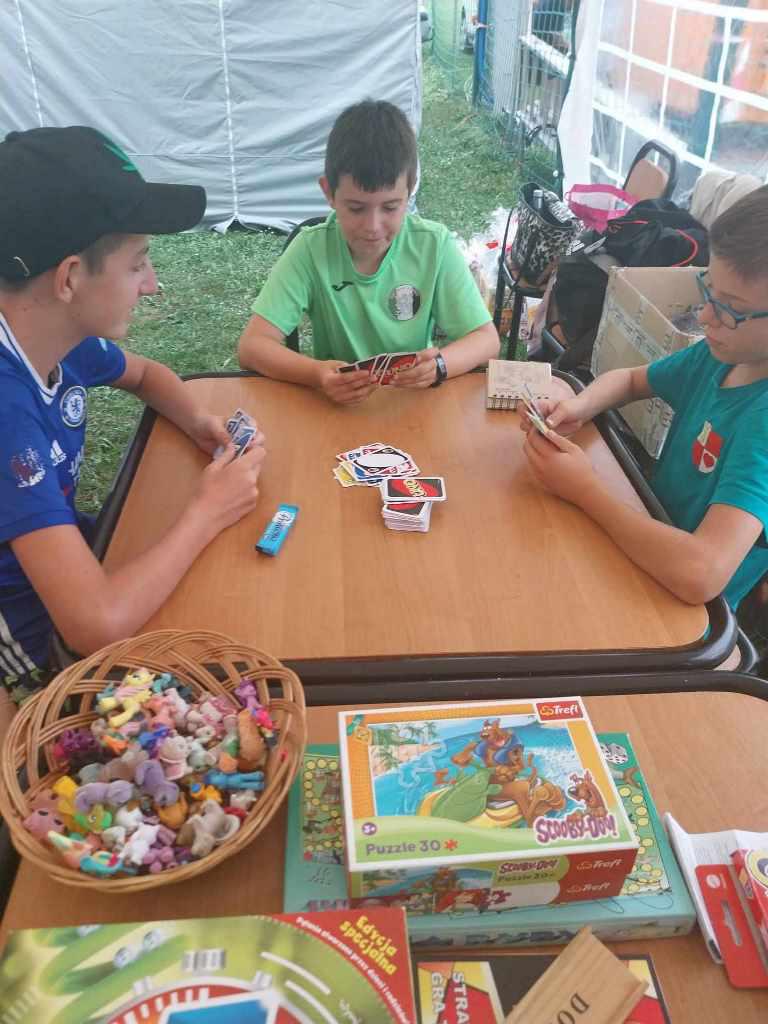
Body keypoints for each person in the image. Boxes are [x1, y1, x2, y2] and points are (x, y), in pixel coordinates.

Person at [0, 126, 266, 712]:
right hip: (31, 636)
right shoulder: (6, 410)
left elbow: (146, 376)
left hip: (74, 563)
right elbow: (93, 624)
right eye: (138, 264)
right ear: (70, 278)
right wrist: (208, 509)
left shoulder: (51, 332)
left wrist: (197, 420)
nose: (152, 285)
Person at [521, 184, 768, 617]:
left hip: (683, 611)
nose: (704, 315)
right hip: (646, 531)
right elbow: (631, 380)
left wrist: (587, 491)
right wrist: (579, 406)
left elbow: (701, 573)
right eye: (708, 289)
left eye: (730, 308)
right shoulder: (719, 356)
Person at [238, 99, 499, 404]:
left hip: (413, 404)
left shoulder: (434, 245)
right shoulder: (311, 249)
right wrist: (317, 374)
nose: (373, 227)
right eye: (356, 208)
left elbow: (486, 340)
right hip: (338, 408)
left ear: (410, 189)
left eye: (390, 207)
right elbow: (252, 347)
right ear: (328, 192)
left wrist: (439, 366)